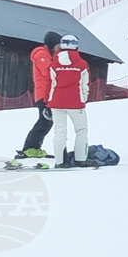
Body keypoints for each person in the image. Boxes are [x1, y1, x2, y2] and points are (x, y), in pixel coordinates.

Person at [48, 35, 91, 168]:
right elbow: (85, 84)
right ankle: (80, 159)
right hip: (75, 102)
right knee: (81, 130)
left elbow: (50, 82)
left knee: (60, 131)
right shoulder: (82, 64)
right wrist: (84, 98)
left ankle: (60, 161)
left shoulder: (53, 64)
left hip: (56, 101)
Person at [18, 31, 62, 158]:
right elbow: (48, 71)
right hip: (44, 94)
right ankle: (30, 148)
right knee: (45, 121)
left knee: (47, 121)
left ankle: (34, 147)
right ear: (51, 45)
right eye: (58, 47)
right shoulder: (41, 54)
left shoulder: (50, 55)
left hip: (49, 94)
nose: (59, 50)